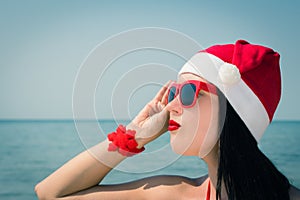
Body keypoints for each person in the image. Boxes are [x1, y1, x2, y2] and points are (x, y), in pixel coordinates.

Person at [35, 40, 300, 200]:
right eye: (172, 91)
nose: (169, 106)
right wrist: (133, 136)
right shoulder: (172, 193)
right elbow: (51, 193)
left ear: (233, 112)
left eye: (187, 92)